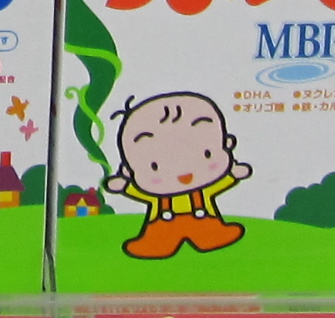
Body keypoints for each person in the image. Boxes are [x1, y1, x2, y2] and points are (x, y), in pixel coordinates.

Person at [103, 90, 249, 259]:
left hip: (204, 220)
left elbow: (218, 186)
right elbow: (141, 194)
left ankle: (216, 236)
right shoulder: (156, 195)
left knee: (212, 234)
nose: (183, 174)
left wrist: (233, 175)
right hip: (162, 225)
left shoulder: (203, 190)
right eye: (155, 166)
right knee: (157, 242)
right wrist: (125, 186)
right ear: (129, 169)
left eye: (207, 154)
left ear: (227, 144)